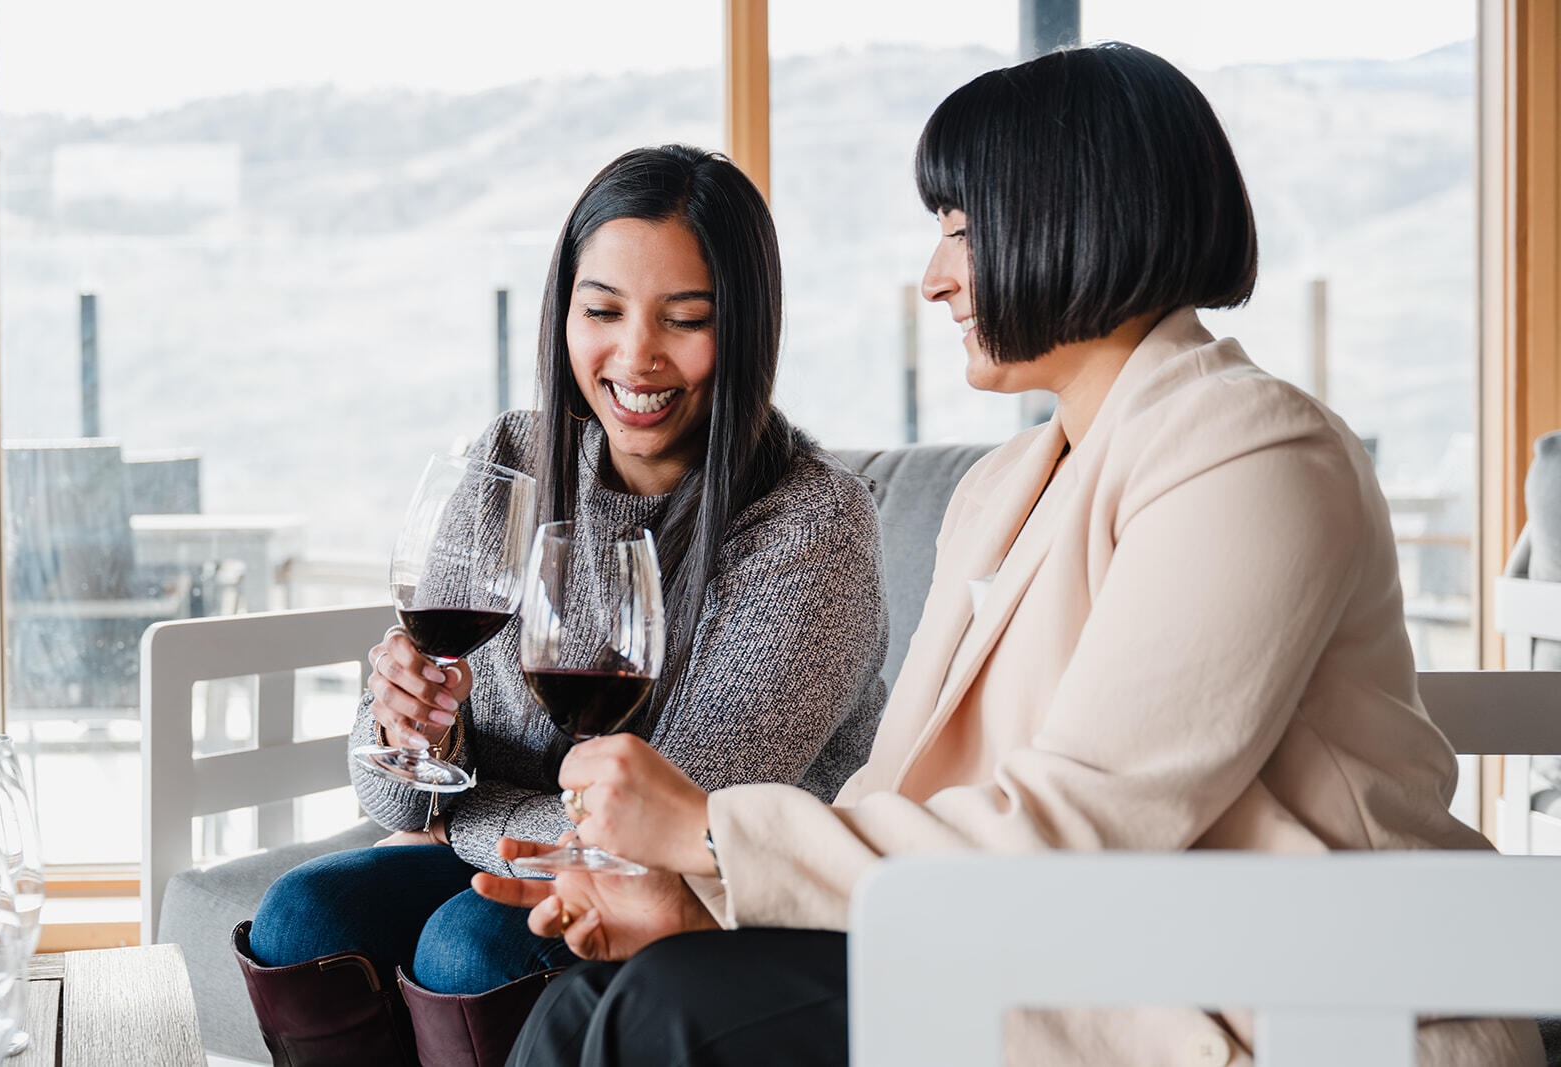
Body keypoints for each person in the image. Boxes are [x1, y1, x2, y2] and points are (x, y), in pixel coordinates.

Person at [476, 45, 1545, 1067]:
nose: (937, 279)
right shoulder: (1006, 486)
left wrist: (712, 833)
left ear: (1076, 216)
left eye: (959, 228)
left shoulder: (1253, 451)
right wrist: (703, 896)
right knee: (594, 995)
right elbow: (910, 788)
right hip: (1069, 955)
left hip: (1271, 998)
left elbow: (1081, 826)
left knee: (677, 1008)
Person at [232, 144, 890, 1065]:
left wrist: (463, 812)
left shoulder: (812, 527)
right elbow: (392, 795)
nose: (635, 356)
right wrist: (413, 728)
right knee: (303, 913)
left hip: (700, 904)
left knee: (469, 942)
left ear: (745, 329)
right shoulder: (512, 458)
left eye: (685, 318)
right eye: (602, 311)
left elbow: (648, 845)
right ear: (564, 312)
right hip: (528, 848)